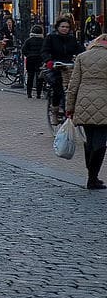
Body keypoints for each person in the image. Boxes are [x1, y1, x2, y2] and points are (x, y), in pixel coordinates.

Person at [65, 33, 107, 189]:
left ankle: (91, 174)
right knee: (100, 141)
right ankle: (93, 177)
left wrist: (69, 108)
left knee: (89, 139)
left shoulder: (82, 57)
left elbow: (73, 85)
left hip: (84, 102)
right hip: (104, 103)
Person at [43, 16, 84, 114]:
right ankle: (55, 109)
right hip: (55, 66)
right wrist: (49, 61)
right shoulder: (51, 38)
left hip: (69, 66)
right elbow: (44, 51)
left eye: (67, 27)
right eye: (63, 26)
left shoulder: (72, 39)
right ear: (58, 27)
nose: (65, 29)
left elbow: (79, 50)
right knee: (58, 87)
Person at [22, 24, 46, 98]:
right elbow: (46, 50)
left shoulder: (28, 40)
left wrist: (28, 55)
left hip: (30, 60)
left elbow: (24, 50)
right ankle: (38, 94)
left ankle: (29, 93)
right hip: (40, 60)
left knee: (30, 76)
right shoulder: (44, 41)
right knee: (39, 77)